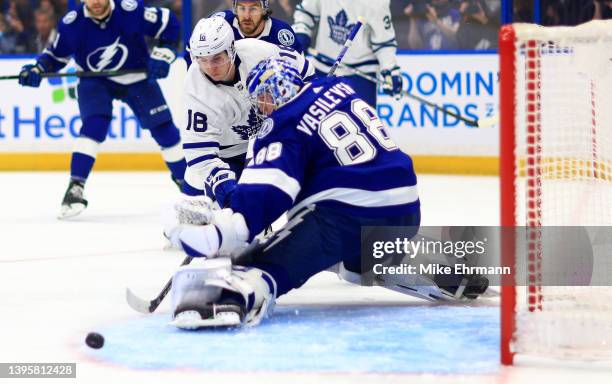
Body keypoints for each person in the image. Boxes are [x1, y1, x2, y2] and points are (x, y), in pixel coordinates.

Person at [168, 57, 468, 329]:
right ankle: (434, 263)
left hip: (347, 216)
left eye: (261, 98)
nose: (261, 107)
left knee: (264, 262)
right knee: (350, 263)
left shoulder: (282, 123)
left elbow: (265, 196)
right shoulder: (339, 88)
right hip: (406, 207)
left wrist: (216, 234)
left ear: (271, 95)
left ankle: (228, 293)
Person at [17, 0, 187, 218]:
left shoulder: (131, 10)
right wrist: (37, 67)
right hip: (95, 81)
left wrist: (164, 54)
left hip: (137, 78)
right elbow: (56, 56)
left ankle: (185, 181)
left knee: (165, 130)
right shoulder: (72, 24)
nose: (96, 2)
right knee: (94, 125)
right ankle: (75, 187)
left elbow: (170, 24)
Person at [179, 16, 313, 208]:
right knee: (193, 213)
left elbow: (304, 69)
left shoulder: (258, 51)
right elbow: (200, 154)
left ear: (231, 50)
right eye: (202, 59)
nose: (210, 67)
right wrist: (221, 181)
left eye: (217, 58)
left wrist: (311, 96)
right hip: (225, 154)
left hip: (269, 143)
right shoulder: (196, 90)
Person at [292, 0, 403, 107]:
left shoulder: (377, 2)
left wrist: (390, 69)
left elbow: (384, 42)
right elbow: (305, 13)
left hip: (360, 77)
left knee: (361, 124)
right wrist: (302, 32)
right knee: (315, 123)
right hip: (322, 69)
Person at [184, 0, 302, 68]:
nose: (246, 16)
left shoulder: (281, 34)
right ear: (235, 8)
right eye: (241, 8)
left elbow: (299, 70)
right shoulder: (220, 23)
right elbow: (191, 50)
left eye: (253, 9)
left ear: (264, 9)